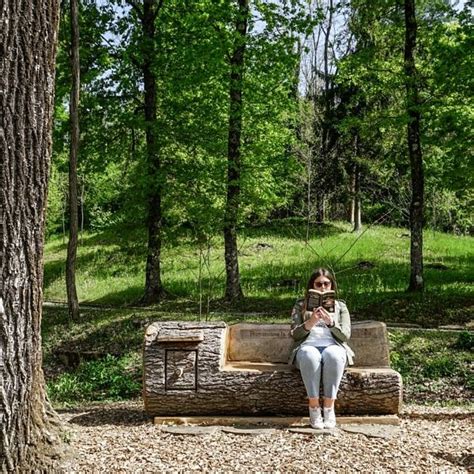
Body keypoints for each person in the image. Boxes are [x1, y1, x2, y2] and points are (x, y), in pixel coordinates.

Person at [288, 268, 354, 429]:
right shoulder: (300, 305)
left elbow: (345, 336)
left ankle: (329, 408)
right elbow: (295, 335)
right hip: (307, 346)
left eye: (326, 284)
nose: (323, 287)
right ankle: (314, 407)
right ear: (312, 286)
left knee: (333, 354)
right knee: (309, 355)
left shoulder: (340, 306)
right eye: (319, 284)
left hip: (333, 345)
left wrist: (331, 323)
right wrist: (310, 322)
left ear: (332, 286)